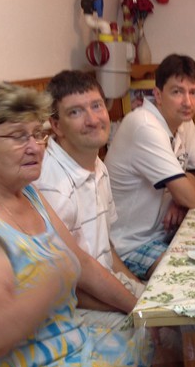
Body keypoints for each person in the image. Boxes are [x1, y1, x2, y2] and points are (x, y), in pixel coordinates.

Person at [0, 83, 188, 367]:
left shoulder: (27, 194)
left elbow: (81, 263)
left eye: (37, 133)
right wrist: (54, 277)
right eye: (18, 136)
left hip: (59, 350)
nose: (35, 146)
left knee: (160, 342)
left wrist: (141, 309)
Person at [34, 70, 144, 308]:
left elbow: (106, 252)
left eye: (97, 106)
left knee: (181, 310)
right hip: (75, 307)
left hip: (106, 288)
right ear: (56, 126)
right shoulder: (51, 184)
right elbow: (64, 284)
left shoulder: (98, 166)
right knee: (167, 325)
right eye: (75, 112)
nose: (93, 120)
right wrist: (135, 308)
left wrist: (142, 291)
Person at [105, 54, 195, 280]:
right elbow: (190, 198)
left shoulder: (183, 121)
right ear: (158, 95)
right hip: (130, 245)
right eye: (177, 92)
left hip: (166, 233)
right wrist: (186, 187)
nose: (187, 102)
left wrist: (181, 196)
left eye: (194, 92)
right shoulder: (144, 125)